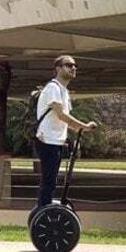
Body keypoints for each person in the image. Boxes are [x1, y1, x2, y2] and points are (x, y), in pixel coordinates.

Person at [34, 55, 97, 212]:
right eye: (68, 65)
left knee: (51, 180)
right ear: (58, 69)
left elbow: (63, 121)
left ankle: (44, 211)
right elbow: (61, 114)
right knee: (48, 181)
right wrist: (84, 126)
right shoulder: (53, 88)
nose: (73, 68)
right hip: (47, 139)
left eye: (75, 65)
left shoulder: (64, 91)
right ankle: (43, 212)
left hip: (56, 140)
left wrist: (76, 135)